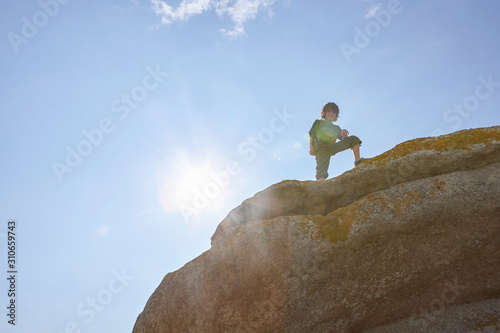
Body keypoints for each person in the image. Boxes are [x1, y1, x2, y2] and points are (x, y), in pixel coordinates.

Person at [309, 102, 365, 181]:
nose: (331, 113)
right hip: (321, 148)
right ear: (324, 113)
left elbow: (343, 139)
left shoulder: (336, 128)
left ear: (336, 115)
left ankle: (358, 161)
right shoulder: (318, 122)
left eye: (334, 112)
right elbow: (312, 135)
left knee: (353, 139)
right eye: (329, 111)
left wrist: (344, 134)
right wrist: (311, 148)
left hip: (332, 147)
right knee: (321, 172)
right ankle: (321, 187)